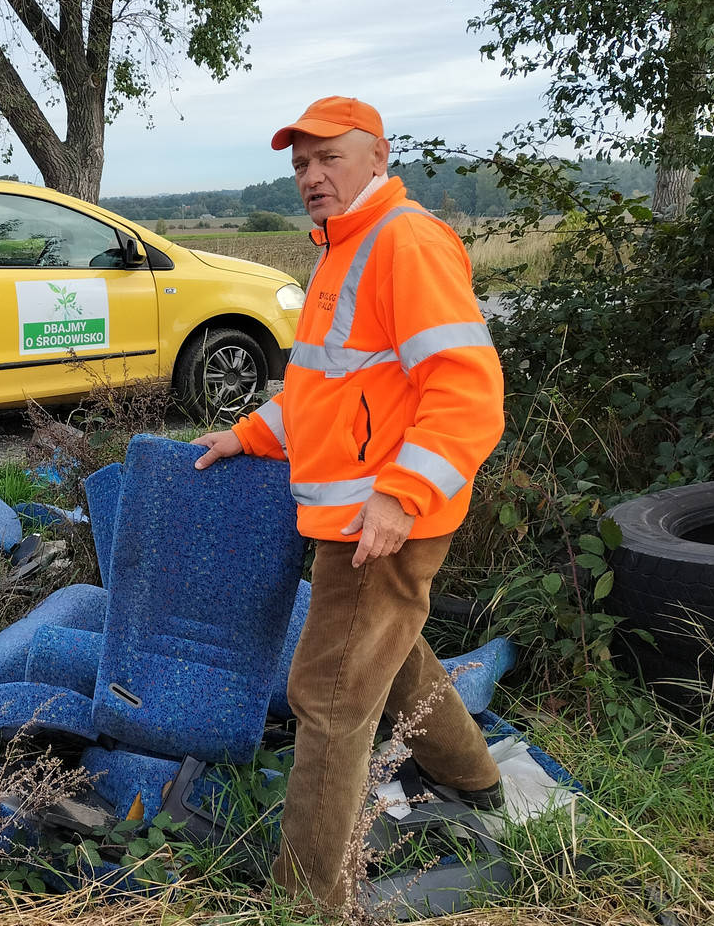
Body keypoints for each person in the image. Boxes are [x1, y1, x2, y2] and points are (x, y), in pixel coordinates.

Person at [192, 95, 507, 909]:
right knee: (389, 654)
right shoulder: (342, 251)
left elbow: (468, 390)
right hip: (357, 518)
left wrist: (401, 497)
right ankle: (475, 779)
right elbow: (323, 391)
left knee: (328, 697)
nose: (311, 175)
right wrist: (249, 435)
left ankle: (306, 898)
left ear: (377, 156)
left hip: (381, 522)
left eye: (329, 156)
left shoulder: (404, 242)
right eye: (300, 163)